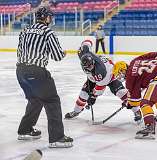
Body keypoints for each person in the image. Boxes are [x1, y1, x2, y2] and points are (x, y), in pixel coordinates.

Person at [16, 7, 73, 148]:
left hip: (20, 71)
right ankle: (57, 138)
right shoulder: (48, 31)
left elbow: (20, 51)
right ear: (46, 18)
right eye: (50, 17)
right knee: (52, 100)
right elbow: (57, 56)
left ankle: (25, 130)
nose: (51, 19)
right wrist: (63, 53)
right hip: (36, 71)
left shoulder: (25, 30)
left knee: (35, 100)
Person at [64, 43, 142, 123]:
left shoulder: (100, 71)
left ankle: (136, 111)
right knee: (83, 94)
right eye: (88, 67)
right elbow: (87, 44)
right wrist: (86, 44)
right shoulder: (84, 55)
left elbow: (100, 88)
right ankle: (76, 111)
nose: (90, 67)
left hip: (111, 76)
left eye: (91, 66)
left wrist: (93, 97)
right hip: (93, 78)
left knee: (122, 93)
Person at [113, 52, 157, 139]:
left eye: (119, 74)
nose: (120, 77)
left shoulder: (130, 79)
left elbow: (136, 100)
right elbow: (155, 54)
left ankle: (149, 128)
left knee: (145, 103)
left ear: (123, 70)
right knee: (155, 96)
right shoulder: (134, 61)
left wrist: (129, 103)